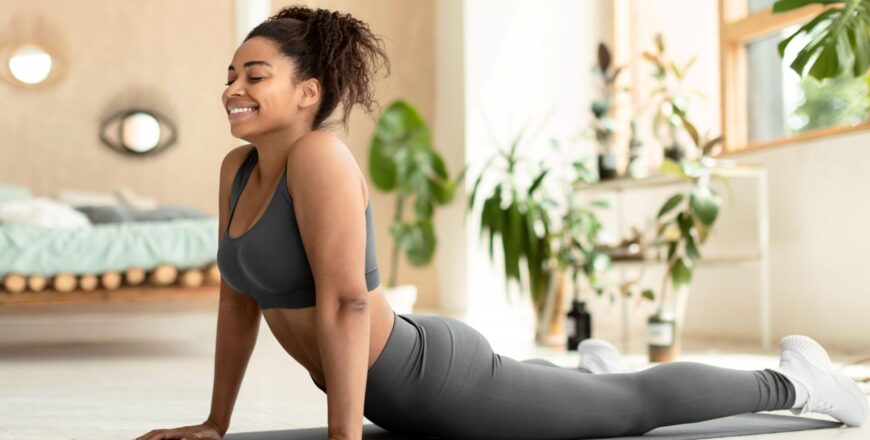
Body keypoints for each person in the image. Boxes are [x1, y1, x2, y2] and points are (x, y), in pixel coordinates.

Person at [136, 5, 869, 440]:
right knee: (579, 393)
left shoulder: (319, 157)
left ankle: (795, 383)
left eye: (253, 75)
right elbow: (239, 302)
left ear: (308, 92)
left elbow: (348, 301)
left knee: (628, 410)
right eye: (229, 76)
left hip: (429, 381)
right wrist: (214, 424)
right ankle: (586, 369)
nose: (232, 88)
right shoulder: (237, 172)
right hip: (394, 387)